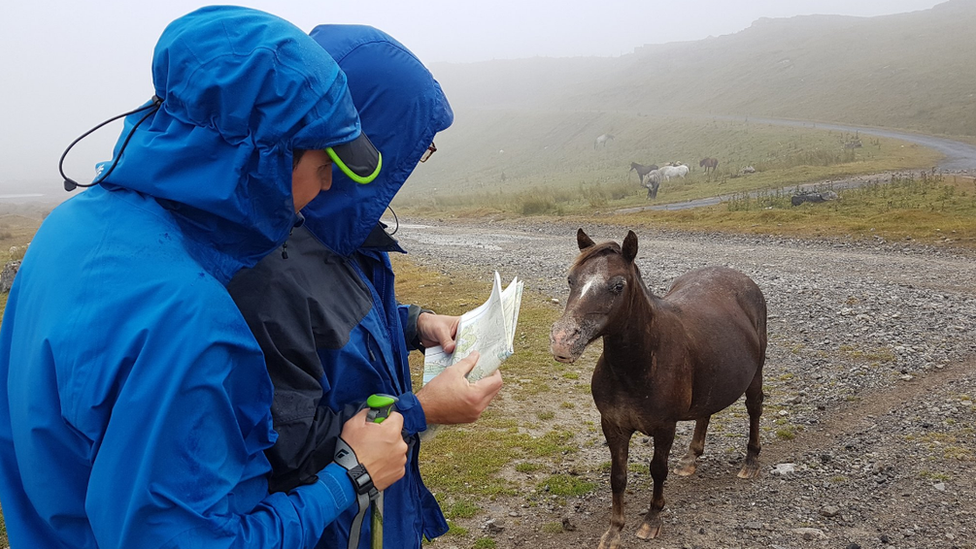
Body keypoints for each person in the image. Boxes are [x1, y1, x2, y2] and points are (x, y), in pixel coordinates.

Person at [0, 7, 409, 549]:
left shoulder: (72, 226)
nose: (330, 186)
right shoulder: (190, 319)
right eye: (325, 163)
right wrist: (351, 476)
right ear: (267, 158)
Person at [227, 25, 504, 549]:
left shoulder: (335, 230)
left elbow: (340, 321)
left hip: (375, 515)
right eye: (412, 150)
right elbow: (289, 445)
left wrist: (415, 323)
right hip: (334, 527)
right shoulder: (268, 267)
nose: (410, 168)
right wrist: (421, 411)